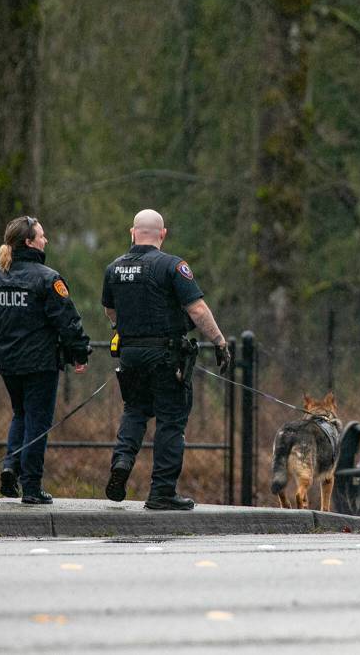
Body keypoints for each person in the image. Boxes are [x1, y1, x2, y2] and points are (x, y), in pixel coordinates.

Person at [102, 209, 231, 510]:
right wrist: (219, 342)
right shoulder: (173, 266)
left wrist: (124, 329)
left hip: (130, 354)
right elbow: (197, 310)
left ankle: (122, 461)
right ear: (162, 234)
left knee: (134, 410)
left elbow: (110, 311)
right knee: (171, 421)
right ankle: (161, 492)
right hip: (166, 356)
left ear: (132, 232)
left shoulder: (113, 269)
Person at [0, 216, 91, 504]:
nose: (45, 240)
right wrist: (79, 353)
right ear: (29, 242)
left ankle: (10, 468)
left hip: (8, 362)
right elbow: (67, 322)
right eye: (41, 235)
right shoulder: (47, 278)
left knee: (20, 414)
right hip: (40, 364)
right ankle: (31, 486)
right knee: (37, 421)